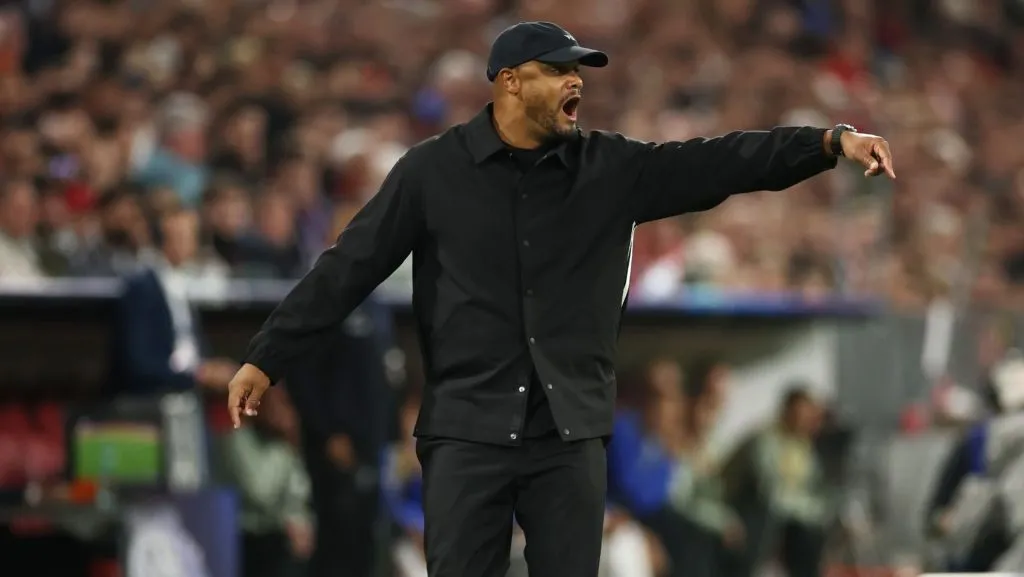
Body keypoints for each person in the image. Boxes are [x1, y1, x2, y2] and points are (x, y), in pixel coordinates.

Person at [227, 20, 895, 577]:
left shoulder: (612, 169)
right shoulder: (432, 172)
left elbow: (723, 161)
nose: (576, 81)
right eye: (557, 69)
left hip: (569, 434)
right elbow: (348, 268)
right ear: (509, 82)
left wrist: (827, 142)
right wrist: (266, 356)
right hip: (467, 428)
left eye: (579, 71)